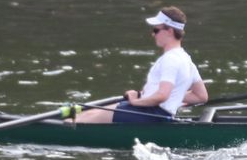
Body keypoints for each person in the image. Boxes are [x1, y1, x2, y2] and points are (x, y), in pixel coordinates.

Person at [75, 6, 207, 124]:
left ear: (170, 31)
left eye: (156, 30)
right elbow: (201, 96)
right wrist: (171, 96)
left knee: (81, 120)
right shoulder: (187, 60)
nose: (153, 34)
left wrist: (135, 101)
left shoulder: (170, 59)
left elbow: (162, 96)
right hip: (156, 113)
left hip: (150, 114)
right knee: (89, 113)